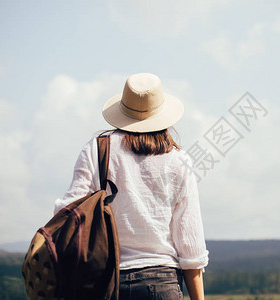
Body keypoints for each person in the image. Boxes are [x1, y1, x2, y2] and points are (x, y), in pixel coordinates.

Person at [54, 73, 209, 300]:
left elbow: (68, 214)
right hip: (163, 283)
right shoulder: (179, 160)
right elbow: (190, 245)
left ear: (123, 110)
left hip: (104, 283)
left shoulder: (97, 150)